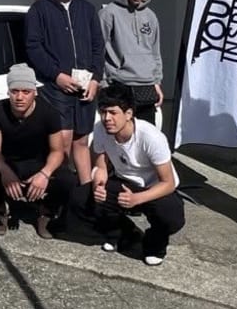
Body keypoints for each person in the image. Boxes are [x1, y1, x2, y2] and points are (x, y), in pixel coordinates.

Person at [60, 83, 184, 265]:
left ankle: (155, 243)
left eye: (113, 112)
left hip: (153, 188)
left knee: (171, 216)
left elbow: (168, 183)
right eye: (103, 112)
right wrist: (98, 184)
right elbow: (100, 166)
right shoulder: (101, 129)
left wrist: (137, 199)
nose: (107, 118)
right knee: (81, 198)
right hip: (123, 182)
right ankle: (121, 233)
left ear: (128, 114)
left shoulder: (151, 137)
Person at [25, 0, 104, 184]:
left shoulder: (87, 10)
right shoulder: (39, 9)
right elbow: (34, 48)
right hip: (55, 88)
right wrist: (57, 76)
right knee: (64, 143)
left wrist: (95, 79)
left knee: (81, 141)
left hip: (86, 87)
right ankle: (58, 200)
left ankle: (85, 195)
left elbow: (98, 47)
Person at [0, 64, 73, 238]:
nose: (19, 97)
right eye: (14, 91)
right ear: (8, 92)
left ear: (35, 92)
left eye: (26, 92)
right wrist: (5, 172)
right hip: (10, 162)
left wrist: (44, 174)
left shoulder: (49, 113)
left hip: (38, 163)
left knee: (68, 180)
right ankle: (0, 211)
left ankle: (46, 212)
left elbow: (58, 151)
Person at [99, 0, 163, 124]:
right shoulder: (109, 13)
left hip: (147, 85)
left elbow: (155, 52)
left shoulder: (151, 16)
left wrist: (156, 82)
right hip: (119, 84)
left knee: (146, 139)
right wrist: (103, 83)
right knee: (118, 140)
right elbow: (97, 51)